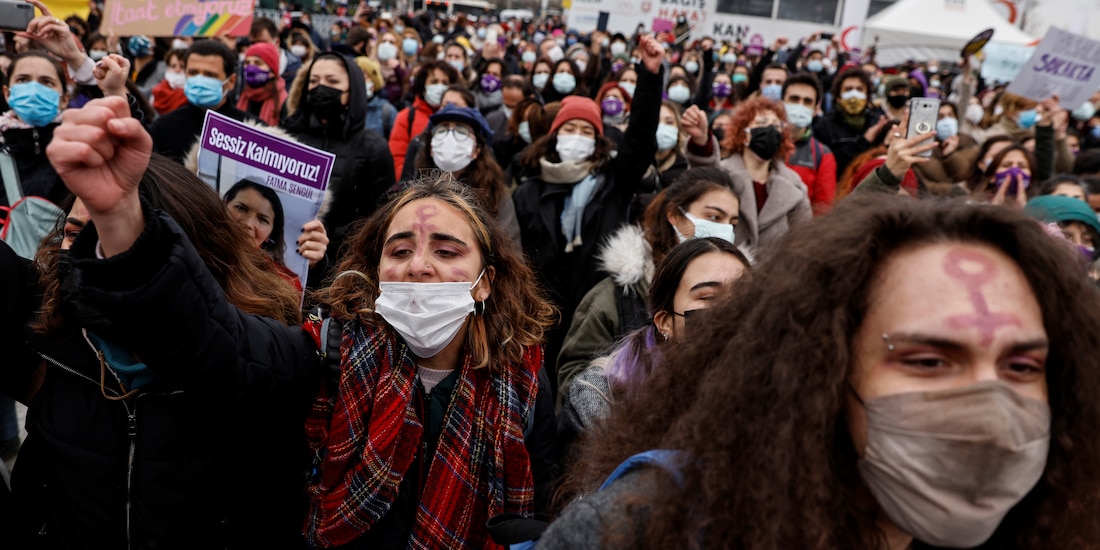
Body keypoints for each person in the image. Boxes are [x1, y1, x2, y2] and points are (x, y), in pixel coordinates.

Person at [543, 193, 1100, 549]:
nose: (989, 403)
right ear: (825, 365)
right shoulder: (645, 526)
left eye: (1023, 364)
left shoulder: (1053, 525)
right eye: (928, 360)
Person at [12, 97, 318, 547]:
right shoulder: (53, 341)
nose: (91, 260)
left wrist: (123, 221)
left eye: (118, 238)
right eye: (77, 234)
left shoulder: (274, 356)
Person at [303, 178, 559, 548]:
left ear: (484, 282)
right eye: (401, 251)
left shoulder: (526, 385)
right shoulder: (329, 353)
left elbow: (545, 510)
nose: (418, 266)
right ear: (378, 270)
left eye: (446, 252)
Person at [512, 35, 665, 372]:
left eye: (586, 130)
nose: (577, 136)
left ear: (597, 140)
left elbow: (640, 142)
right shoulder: (527, 192)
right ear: (555, 137)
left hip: (596, 317)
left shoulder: (612, 183)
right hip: (537, 318)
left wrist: (650, 75)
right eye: (570, 129)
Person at [556, 166, 740, 396]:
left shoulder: (746, 288)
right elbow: (573, 376)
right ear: (674, 215)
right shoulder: (613, 297)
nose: (724, 229)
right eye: (714, 217)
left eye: (732, 222)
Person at [560, 237, 749, 446]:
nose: (732, 308)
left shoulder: (779, 384)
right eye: (708, 297)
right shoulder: (603, 397)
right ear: (665, 322)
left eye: (743, 295)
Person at [282, 52, 395, 263]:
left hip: (343, 266)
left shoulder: (373, 147)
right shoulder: (288, 135)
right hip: (287, 258)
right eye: (314, 81)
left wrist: (328, 247)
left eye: (332, 81)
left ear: (352, 89)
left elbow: (379, 220)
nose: (320, 87)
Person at [0, 50, 138, 207]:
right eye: (23, 80)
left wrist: (114, 90)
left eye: (46, 82)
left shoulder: (84, 147)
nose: (33, 89)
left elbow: (133, 157)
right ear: (7, 93)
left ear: (65, 98)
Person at [682, 97, 811, 257]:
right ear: (744, 134)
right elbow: (699, 177)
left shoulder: (795, 186)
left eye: (776, 126)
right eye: (762, 123)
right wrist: (701, 141)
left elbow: (803, 239)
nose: (770, 129)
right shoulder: (722, 173)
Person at [409, 104, 520, 242]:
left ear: (476, 150)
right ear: (431, 147)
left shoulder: (495, 196)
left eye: (461, 131)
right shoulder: (411, 193)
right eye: (442, 129)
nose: (450, 136)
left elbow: (510, 249)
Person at [150, 40, 251, 162]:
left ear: (231, 81)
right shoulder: (162, 128)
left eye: (210, 75)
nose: (199, 80)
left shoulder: (251, 131)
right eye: (193, 73)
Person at [223, 178, 329, 293]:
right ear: (225, 204)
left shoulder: (286, 284)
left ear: (271, 234)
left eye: (262, 219)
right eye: (241, 208)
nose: (248, 223)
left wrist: (317, 269)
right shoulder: (200, 245)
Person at [389, 60, 461, 178]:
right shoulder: (406, 117)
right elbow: (397, 158)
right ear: (423, 87)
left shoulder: (459, 117)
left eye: (445, 82)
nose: (440, 87)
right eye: (434, 82)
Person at [813, 67, 889, 179]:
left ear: (867, 95)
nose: (854, 94)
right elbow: (829, 164)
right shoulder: (824, 126)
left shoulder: (878, 122)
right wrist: (864, 141)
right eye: (848, 89)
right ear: (839, 97)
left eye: (859, 89)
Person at [782, 72, 837, 215]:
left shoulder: (822, 155)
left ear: (815, 109)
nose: (800, 105)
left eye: (807, 101)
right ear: (782, 103)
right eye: (794, 99)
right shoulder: (764, 143)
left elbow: (823, 208)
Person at [236, 42, 287, 127]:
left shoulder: (284, 102)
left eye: (258, 63)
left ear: (272, 72)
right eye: (247, 63)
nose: (251, 68)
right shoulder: (241, 94)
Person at [355, 56, 398, 139]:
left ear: (374, 83)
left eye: (363, 78)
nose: (358, 82)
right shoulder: (342, 109)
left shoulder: (386, 112)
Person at [151, 48, 189, 116]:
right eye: (173, 66)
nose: (177, 70)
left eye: (182, 66)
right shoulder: (157, 93)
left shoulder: (193, 96)